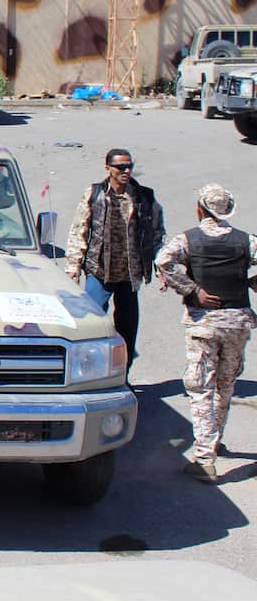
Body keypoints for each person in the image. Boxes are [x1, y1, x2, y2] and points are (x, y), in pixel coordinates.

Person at [154, 184, 257, 483]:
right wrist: (250, 284)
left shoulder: (188, 239)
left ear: (200, 208)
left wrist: (192, 290)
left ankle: (204, 458)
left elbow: (164, 262)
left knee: (201, 387)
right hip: (237, 322)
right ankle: (213, 441)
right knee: (225, 386)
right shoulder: (245, 241)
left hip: (204, 323)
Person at [64, 148, 166, 366]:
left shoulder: (144, 197)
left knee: (127, 330)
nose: (126, 171)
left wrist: (159, 266)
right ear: (108, 168)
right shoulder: (95, 194)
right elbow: (79, 229)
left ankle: (122, 374)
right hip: (99, 272)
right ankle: (87, 368)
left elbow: (156, 233)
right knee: (91, 325)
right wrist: (73, 267)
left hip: (129, 276)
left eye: (129, 166)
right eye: (120, 167)